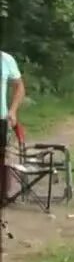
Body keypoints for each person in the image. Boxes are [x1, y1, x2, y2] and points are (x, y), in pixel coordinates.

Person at [2, 50, 26, 199]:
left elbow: (19, 87)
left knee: (5, 158)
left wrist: (13, 110)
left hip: (2, 118)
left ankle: (3, 196)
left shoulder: (5, 59)